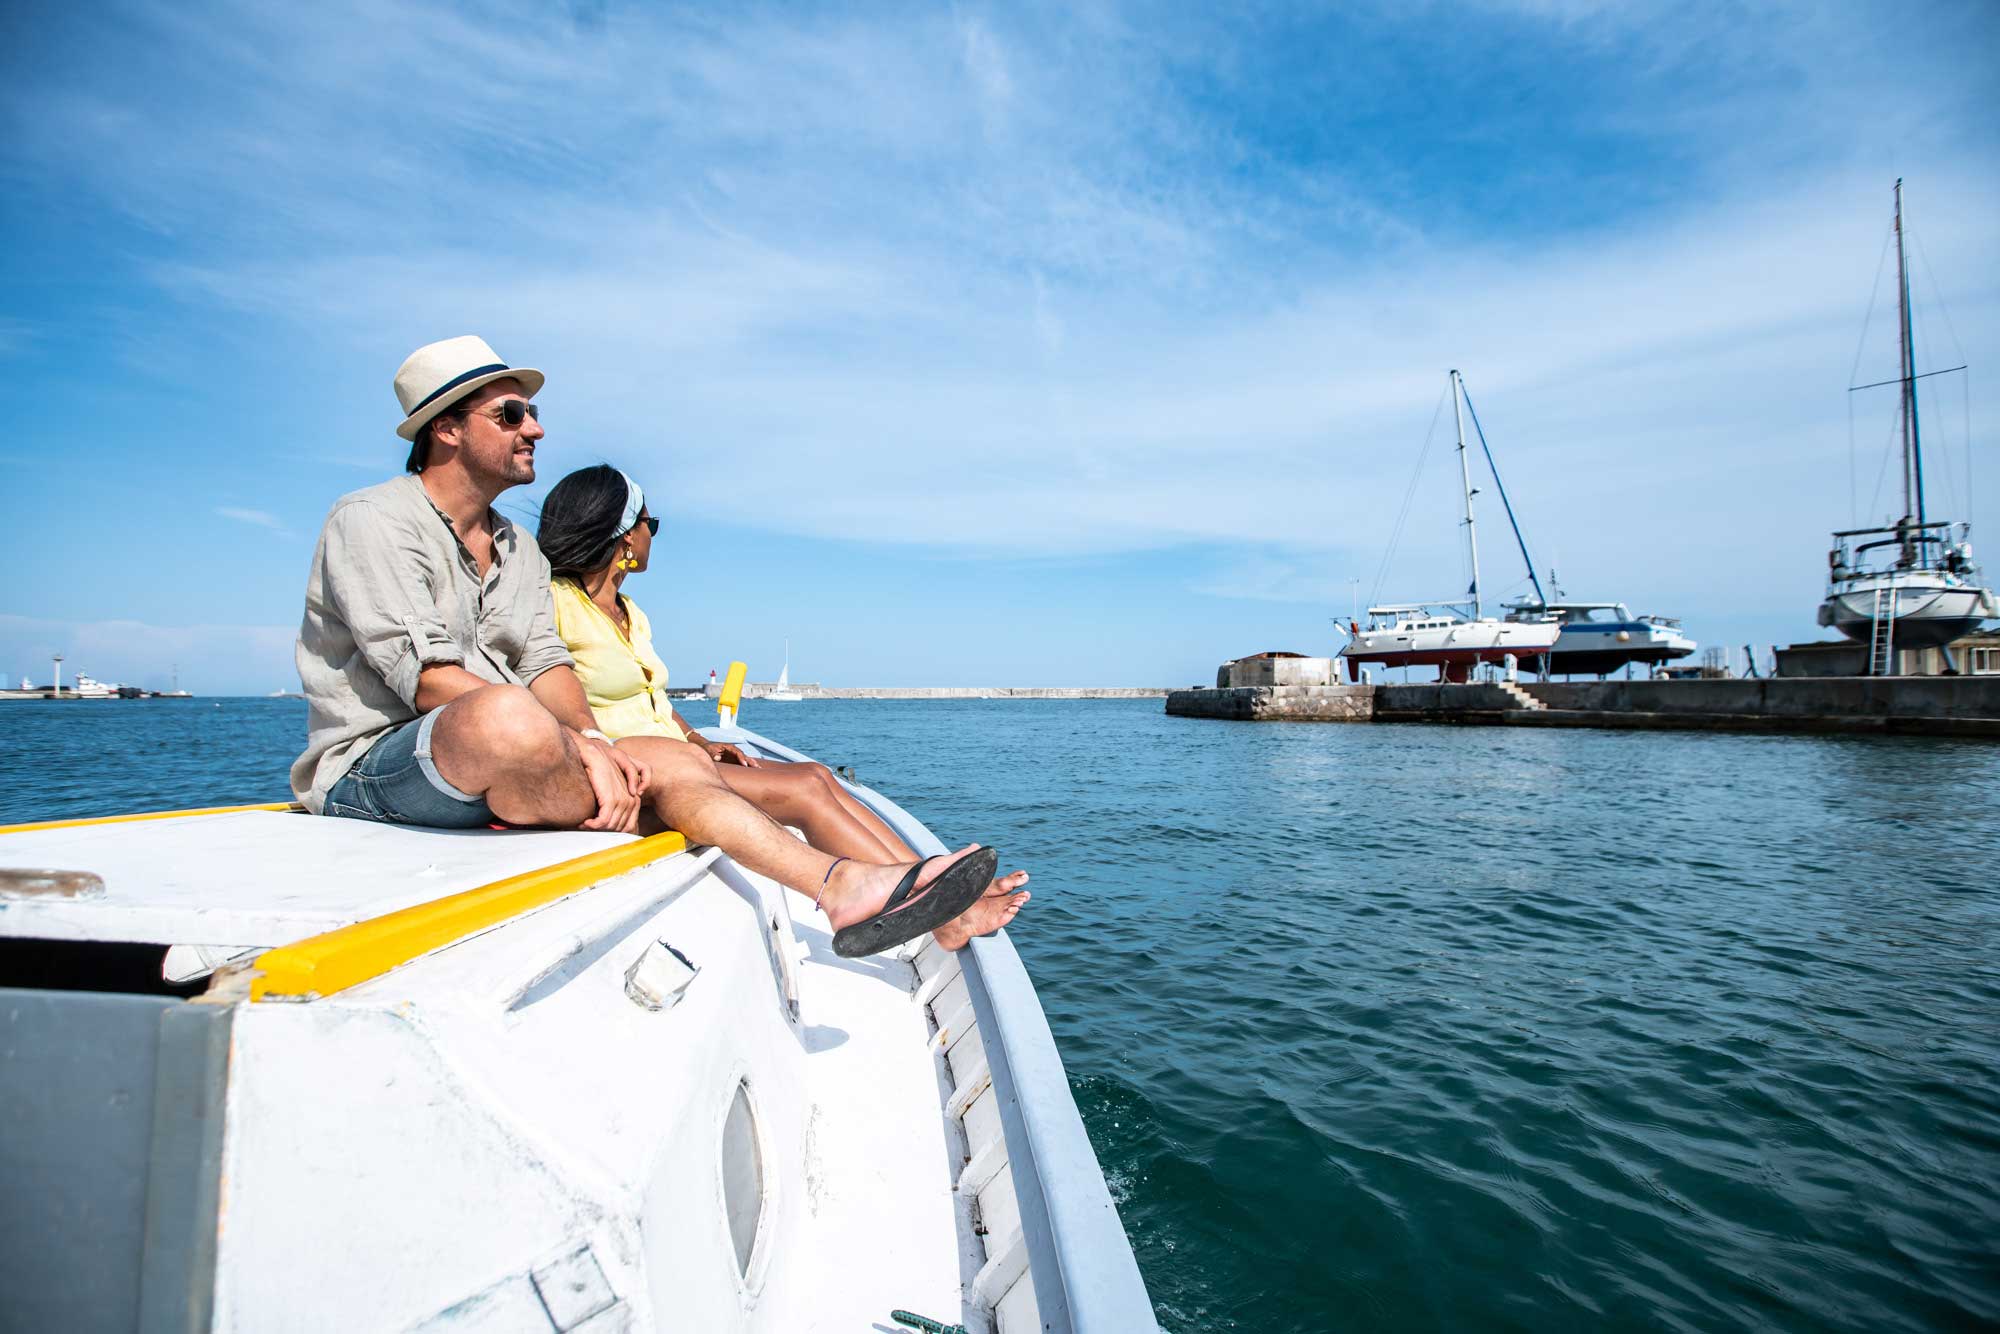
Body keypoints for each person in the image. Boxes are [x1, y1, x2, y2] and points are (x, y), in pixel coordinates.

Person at [291, 335, 1003, 957]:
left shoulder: (517, 550)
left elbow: (546, 664)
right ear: (445, 430)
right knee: (506, 715)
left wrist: (596, 741)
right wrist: (583, 748)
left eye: (533, 413)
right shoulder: (375, 521)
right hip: (378, 771)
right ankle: (906, 889)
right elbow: (429, 680)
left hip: (501, 761)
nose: (535, 428)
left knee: (666, 756)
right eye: (511, 414)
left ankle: (839, 883)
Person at [536, 465, 1029, 950]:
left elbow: (654, 700)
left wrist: (699, 740)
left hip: (681, 755)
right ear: (623, 536)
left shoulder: (631, 613)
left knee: (818, 774)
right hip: (641, 773)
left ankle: (935, 892)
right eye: (651, 523)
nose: (653, 535)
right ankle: (946, 915)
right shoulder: (555, 605)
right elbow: (549, 693)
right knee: (807, 790)